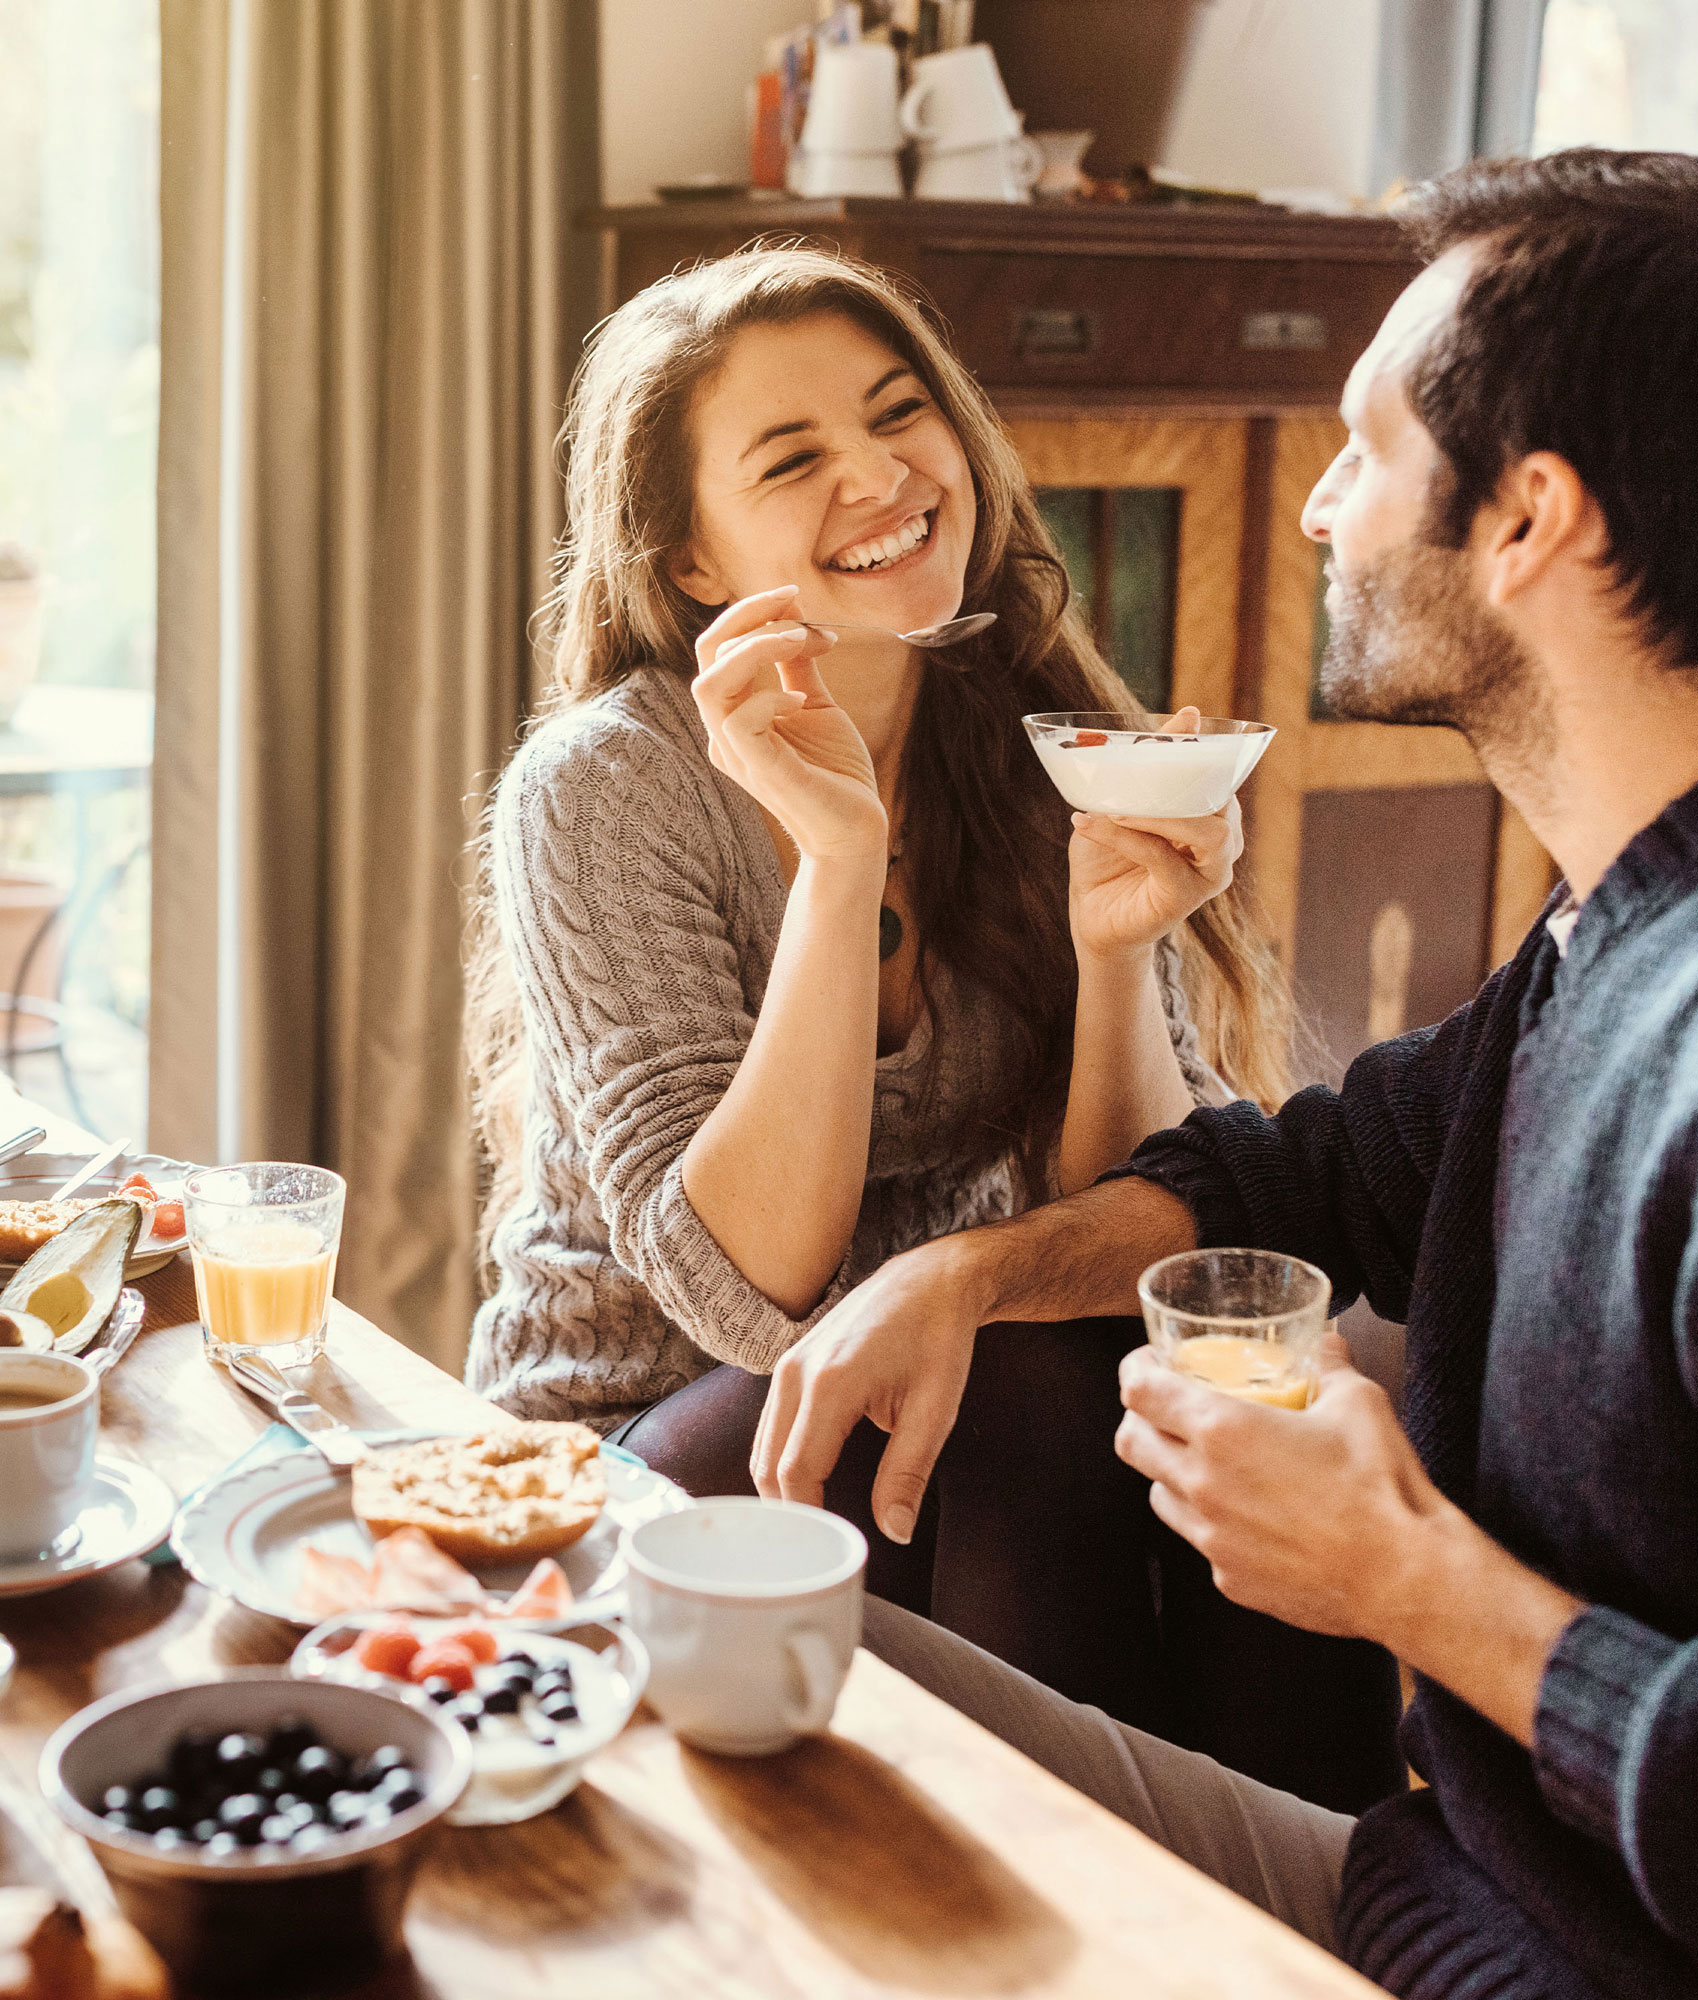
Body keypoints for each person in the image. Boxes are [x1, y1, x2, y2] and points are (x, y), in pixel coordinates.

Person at [749, 149, 1698, 1998]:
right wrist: (971, 1274)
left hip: (1557, 1965)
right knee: (759, 1664)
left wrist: (1406, 1580)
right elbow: (1319, 1170)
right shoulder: (1639, 917)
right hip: (1445, 1891)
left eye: (1367, 445)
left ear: (1529, 522)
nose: (1324, 505)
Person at [460, 246, 1404, 1804]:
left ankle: (1329, 1921)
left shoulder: (1037, 732)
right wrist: (838, 865)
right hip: (628, 1449)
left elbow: (1135, 1236)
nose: (882, 473)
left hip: (965, 1393)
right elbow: (752, 1293)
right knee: (1026, 1397)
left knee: (1244, 1414)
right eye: (792, 458)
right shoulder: (606, 790)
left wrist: (1119, 952)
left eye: (902, 416)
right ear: (691, 560)